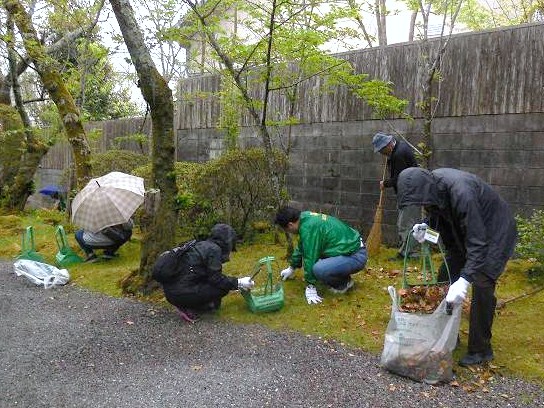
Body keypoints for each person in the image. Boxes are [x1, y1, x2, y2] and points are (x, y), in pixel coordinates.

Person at [396, 167, 517, 366]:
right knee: (446, 276)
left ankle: (481, 350)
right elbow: (442, 217)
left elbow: (478, 243)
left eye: (423, 202)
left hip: (495, 231)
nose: (423, 205)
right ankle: (449, 333)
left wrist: (465, 280)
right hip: (467, 231)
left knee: (482, 281)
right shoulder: (432, 189)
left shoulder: (463, 193)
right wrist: (426, 226)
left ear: (427, 190)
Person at [152, 223, 255, 323]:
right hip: (181, 294)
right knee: (222, 288)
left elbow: (203, 275)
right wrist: (239, 283)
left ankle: (188, 304)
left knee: (213, 285)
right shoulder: (214, 250)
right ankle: (191, 307)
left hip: (170, 293)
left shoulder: (200, 244)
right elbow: (216, 279)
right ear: (227, 241)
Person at [274, 207, 367, 304]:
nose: (288, 232)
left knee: (319, 269)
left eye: (286, 230)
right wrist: (292, 267)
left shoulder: (309, 228)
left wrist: (310, 286)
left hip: (356, 255)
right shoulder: (304, 218)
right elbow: (302, 246)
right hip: (348, 249)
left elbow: (310, 257)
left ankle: (344, 284)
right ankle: (340, 276)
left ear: (290, 225)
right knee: (319, 265)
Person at [372, 132, 420, 259]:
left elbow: (400, 177)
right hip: (408, 192)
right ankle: (405, 251)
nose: (382, 153)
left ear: (388, 145)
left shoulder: (398, 154)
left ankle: (410, 254)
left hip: (410, 193)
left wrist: (385, 183)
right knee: (404, 223)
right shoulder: (398, 149)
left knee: (406, 224)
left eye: (382, 150)